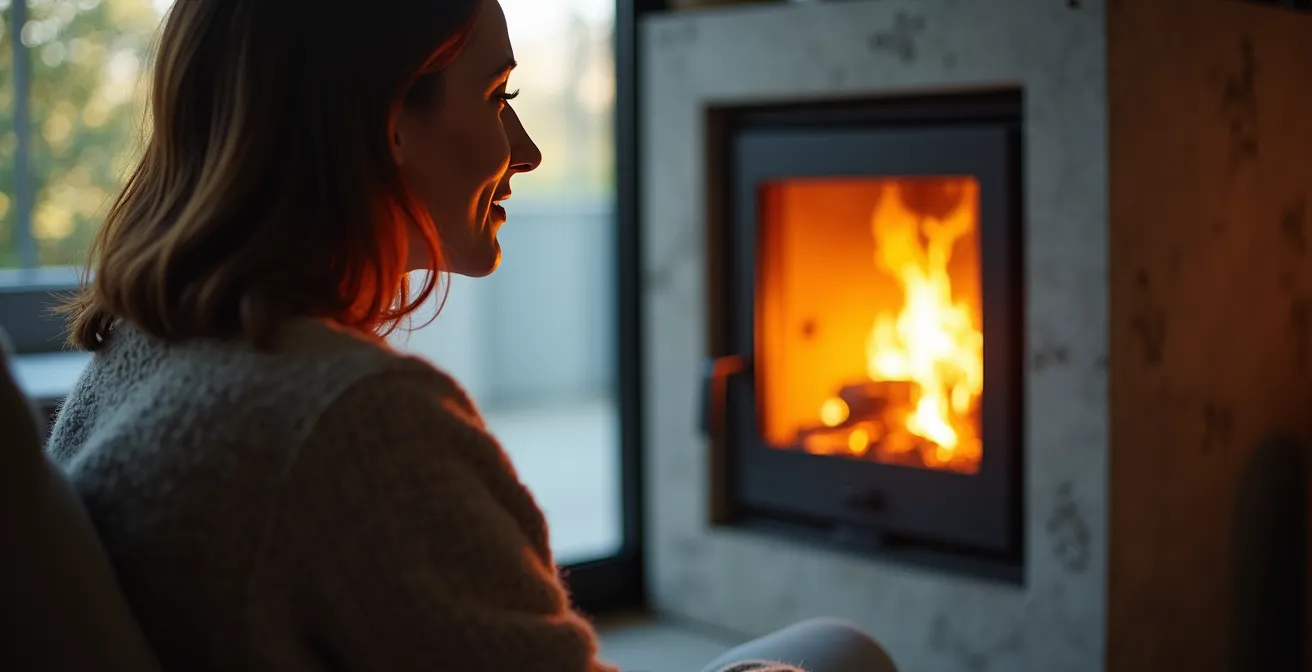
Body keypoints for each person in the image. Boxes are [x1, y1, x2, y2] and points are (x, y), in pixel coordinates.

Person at [46, 1, 896, 671]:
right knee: (840, 651)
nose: (524, 152)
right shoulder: (355, 419)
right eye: (498, 99)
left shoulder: (137, 344)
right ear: (389, 120)